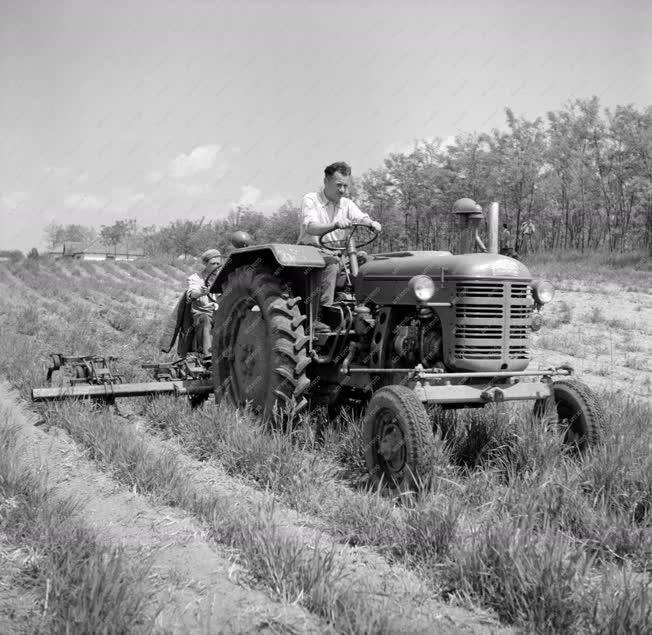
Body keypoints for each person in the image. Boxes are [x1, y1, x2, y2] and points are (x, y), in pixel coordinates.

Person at [298, 161, 381, 332]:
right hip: (311, 252)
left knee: (368, 261)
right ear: (326, 181)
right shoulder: (311, 199)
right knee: (332, 264)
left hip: (339, 253)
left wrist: (371, 222)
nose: (342, 190)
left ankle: (370, 310)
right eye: (339, 185)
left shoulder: (347, 203)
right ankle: (319, 317)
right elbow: (310, 227)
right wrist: (334, 224)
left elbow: (361, 217)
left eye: (345, 185)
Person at [187, 249, 222, 356]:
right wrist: (201, 292)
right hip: (202, 313)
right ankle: (208, 355)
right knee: (206, 319)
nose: (216, 266)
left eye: (218, 264)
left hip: (219, 313)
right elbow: (192, 294)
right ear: (205, 264)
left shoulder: (223, 278)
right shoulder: (196, 278)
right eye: (213, 263)